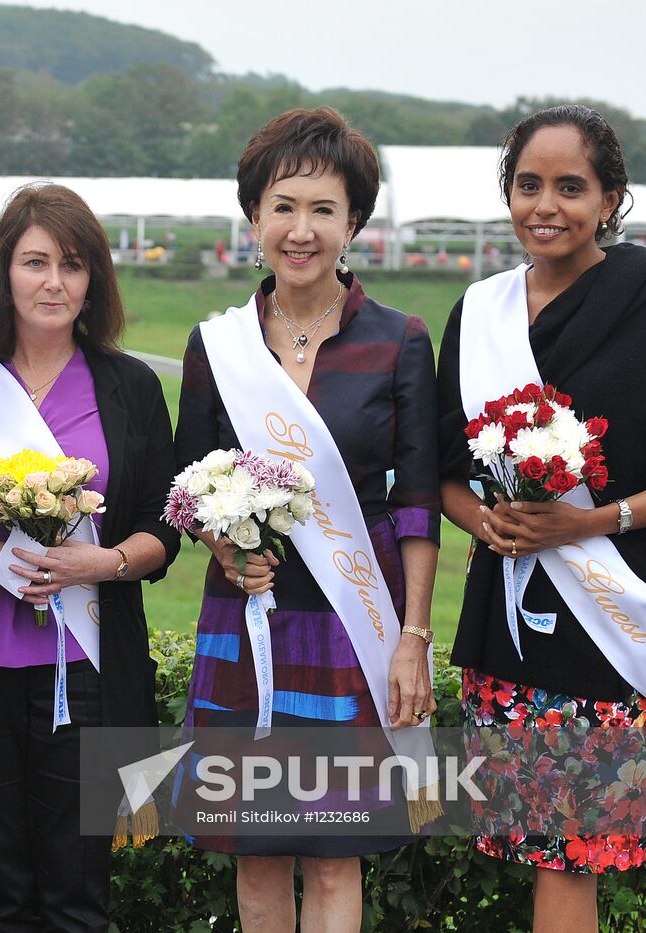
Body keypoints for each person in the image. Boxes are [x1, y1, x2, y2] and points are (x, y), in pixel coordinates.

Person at [436, 104, 646, 933]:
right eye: (528, 185)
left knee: (572, 857)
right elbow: (437, 470)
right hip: (507, 627)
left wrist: (590, 521)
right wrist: (484, 521)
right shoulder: (481, 312)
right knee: (538, 850)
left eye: (571, 187)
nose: (546, 206)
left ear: (610, 199)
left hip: (614, 622)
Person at [172, 108, 441, 932]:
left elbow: (418, 503)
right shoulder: (217, 346)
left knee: (333, 852)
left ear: (353, 222)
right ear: (253, 217)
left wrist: (412, 638)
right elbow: (187, 486)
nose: (301, 230)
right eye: (283, 206)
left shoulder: (399, 340)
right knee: (256, 850)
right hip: (247, 618)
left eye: (324, 209)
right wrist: (223, 547)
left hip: (352, 620)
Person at [0, 183, 180, 930]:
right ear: (4, 270)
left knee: (78, 897)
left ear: (93, 279)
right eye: (35, 262)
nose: (54, 282)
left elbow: (163, 526)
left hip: (91, 671)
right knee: (1, 895)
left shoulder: (129, 386)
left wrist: (103, 564)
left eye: (73, 264)